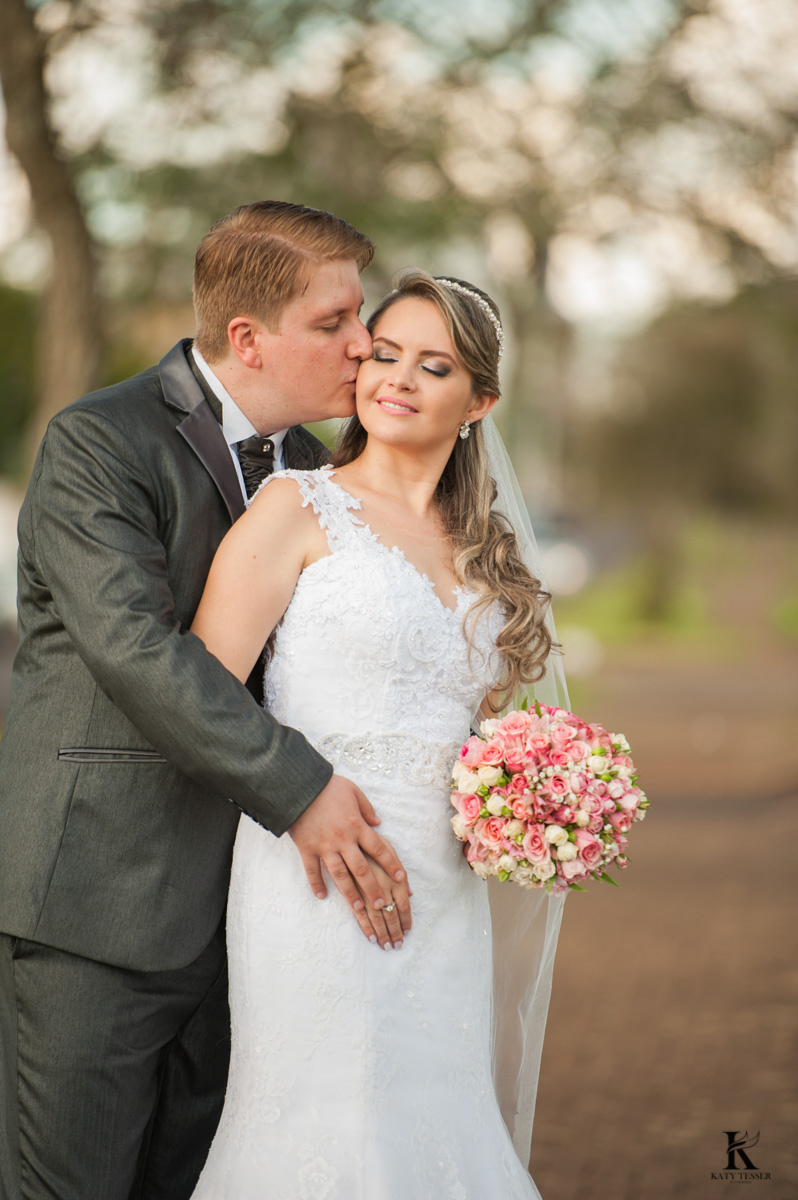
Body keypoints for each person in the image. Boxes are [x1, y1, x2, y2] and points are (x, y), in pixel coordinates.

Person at [0, 201, 412, 1200]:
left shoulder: (320, 475)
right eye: (333, 324)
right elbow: (136, 651)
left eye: (361, 320)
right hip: (99, 900)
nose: (365, 348)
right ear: (247, 339)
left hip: (255, 921)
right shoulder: (99, 442)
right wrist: (302, 787)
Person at [189, 270, 566, 1198]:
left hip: (444, 883)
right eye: (383, 354)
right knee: (327, 1111)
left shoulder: (490, 554)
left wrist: (533, 795)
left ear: (478, 402)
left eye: (432, 366)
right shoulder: (296, 508)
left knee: (434, 1108)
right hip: (309, 863)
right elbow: (198, 691)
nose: (395, 378)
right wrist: (296, 799)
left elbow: (479, 722)